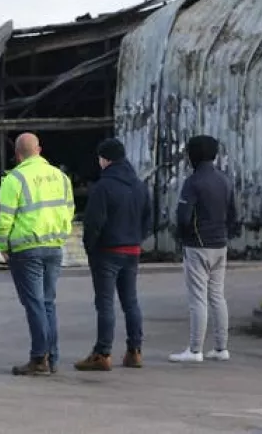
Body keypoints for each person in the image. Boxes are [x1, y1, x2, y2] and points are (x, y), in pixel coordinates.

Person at [0, 132, 74, 376]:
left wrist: (2, 245)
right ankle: (53, 357)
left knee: (34, 304)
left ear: (18, 155)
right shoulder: (60, 177)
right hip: (53, 247)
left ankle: (39, 357)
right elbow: (69, 210)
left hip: (25, 250)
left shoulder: (14, 179)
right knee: (47, 302)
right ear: (39, 150)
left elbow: (3, 217)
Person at [74, 138, 152, 372]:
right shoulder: (139, 186)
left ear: (105, 159)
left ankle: (102, 353)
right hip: (132, 249)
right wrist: (137, 238)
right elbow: (148, 219)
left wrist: (90, 248)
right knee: (130, 301)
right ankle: (134, 351)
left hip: (107, 251)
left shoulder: (103, 187)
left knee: (105, 303)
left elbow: (93, 223)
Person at [168, 134, 237, 363]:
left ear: (192, 155)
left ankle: (195, 349)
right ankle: (221, 348)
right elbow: (233, 215)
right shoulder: (225, 181)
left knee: (198, 298)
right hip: (220, 244)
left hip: (197, 245)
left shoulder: (193, 182)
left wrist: (181, 237)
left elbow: (184, 216)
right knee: (217, 296)